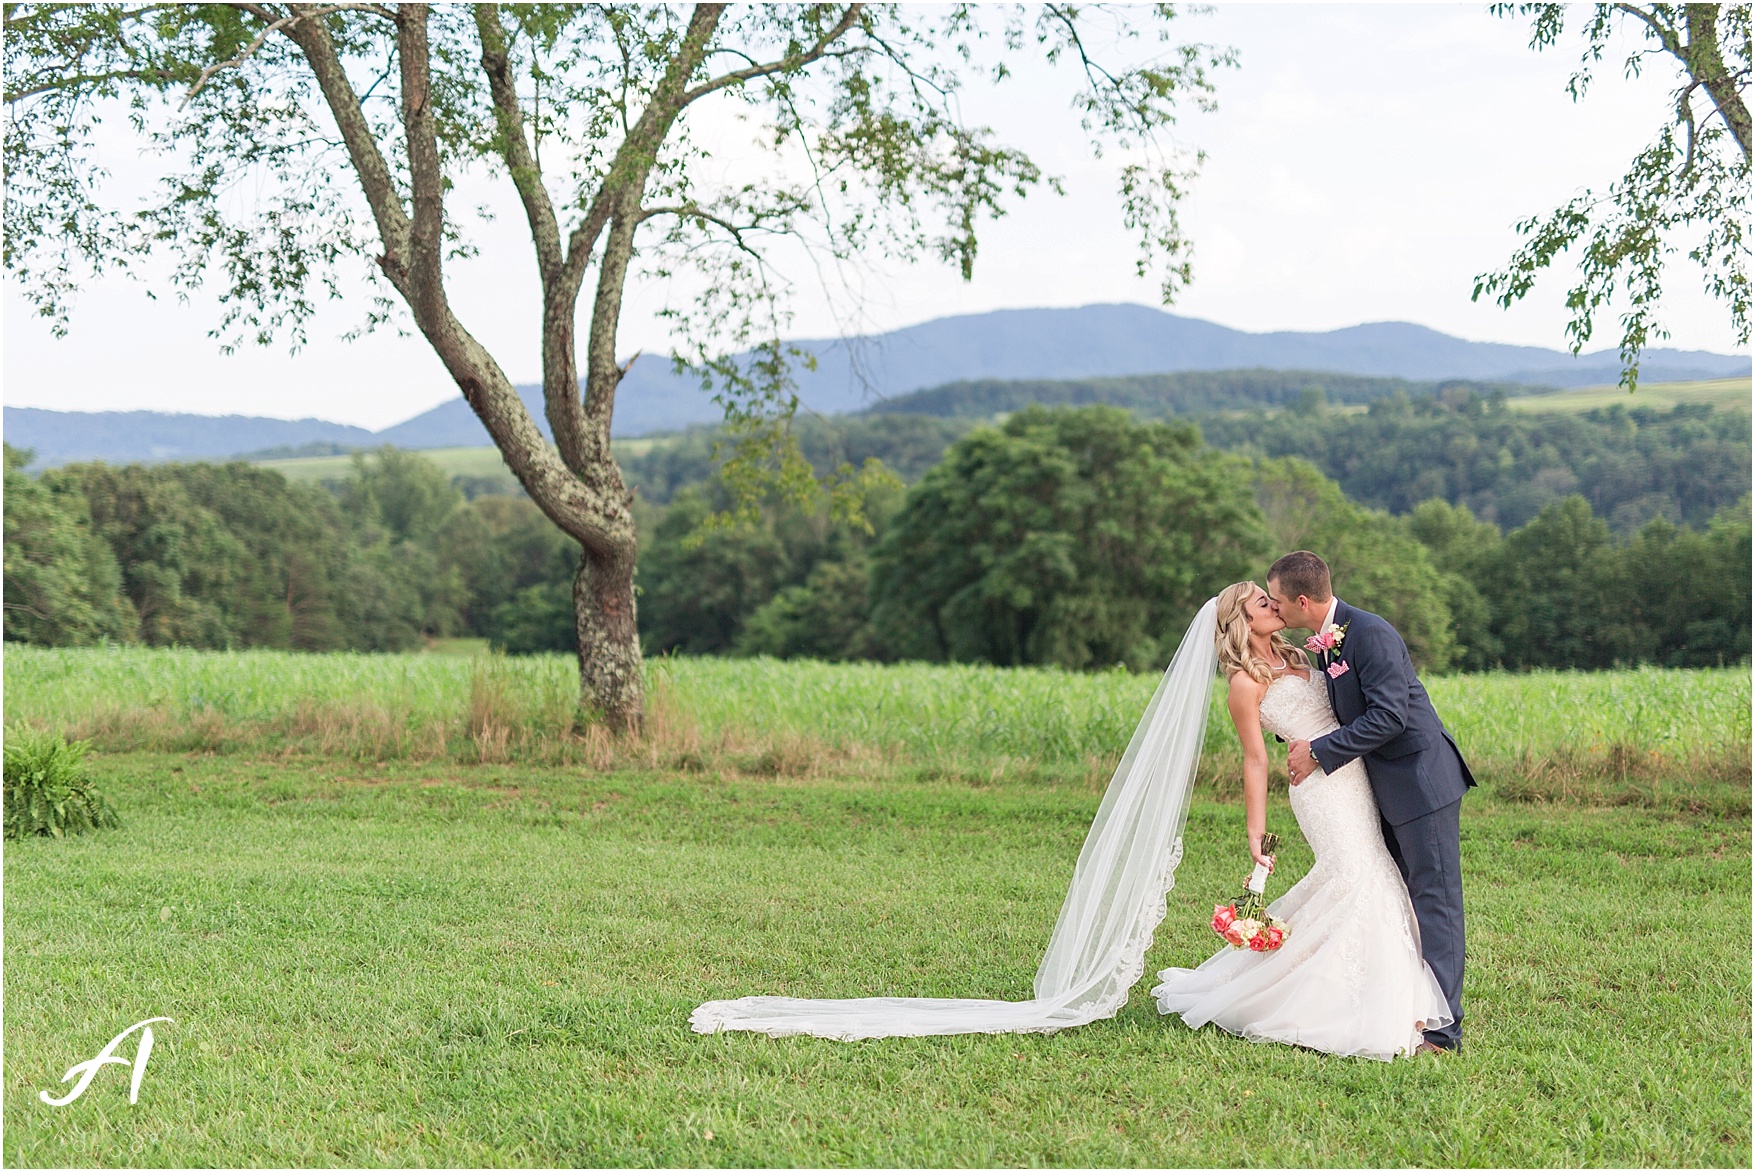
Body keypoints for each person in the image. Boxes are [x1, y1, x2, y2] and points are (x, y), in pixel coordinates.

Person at [1149, 579, 1454, 1060]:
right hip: (1319, 788)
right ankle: (1345, 1001)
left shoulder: (1297, 657)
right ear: (1242, 622)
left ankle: (1391, 992)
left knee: (1374, 870)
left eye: (1273, 601)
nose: (1276, 608)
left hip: (1353, 770)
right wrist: (1257, 832)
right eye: (1263, 604)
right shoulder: (1244, 685)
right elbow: (1255, 759)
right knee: (1357, 873)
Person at [1269, 550, 1474, 1053]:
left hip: (1421, 781)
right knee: (1398, 896)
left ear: (1301, 600)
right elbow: (1338, 709)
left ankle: (1445, 1032)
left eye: (1276, 602)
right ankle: (1408, 1005)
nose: (1274, 611)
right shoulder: (1327, 641)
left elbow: (1390, 718)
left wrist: (1319, 752)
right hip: (1380, 786)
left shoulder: (1371, 633)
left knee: (1435, 899)